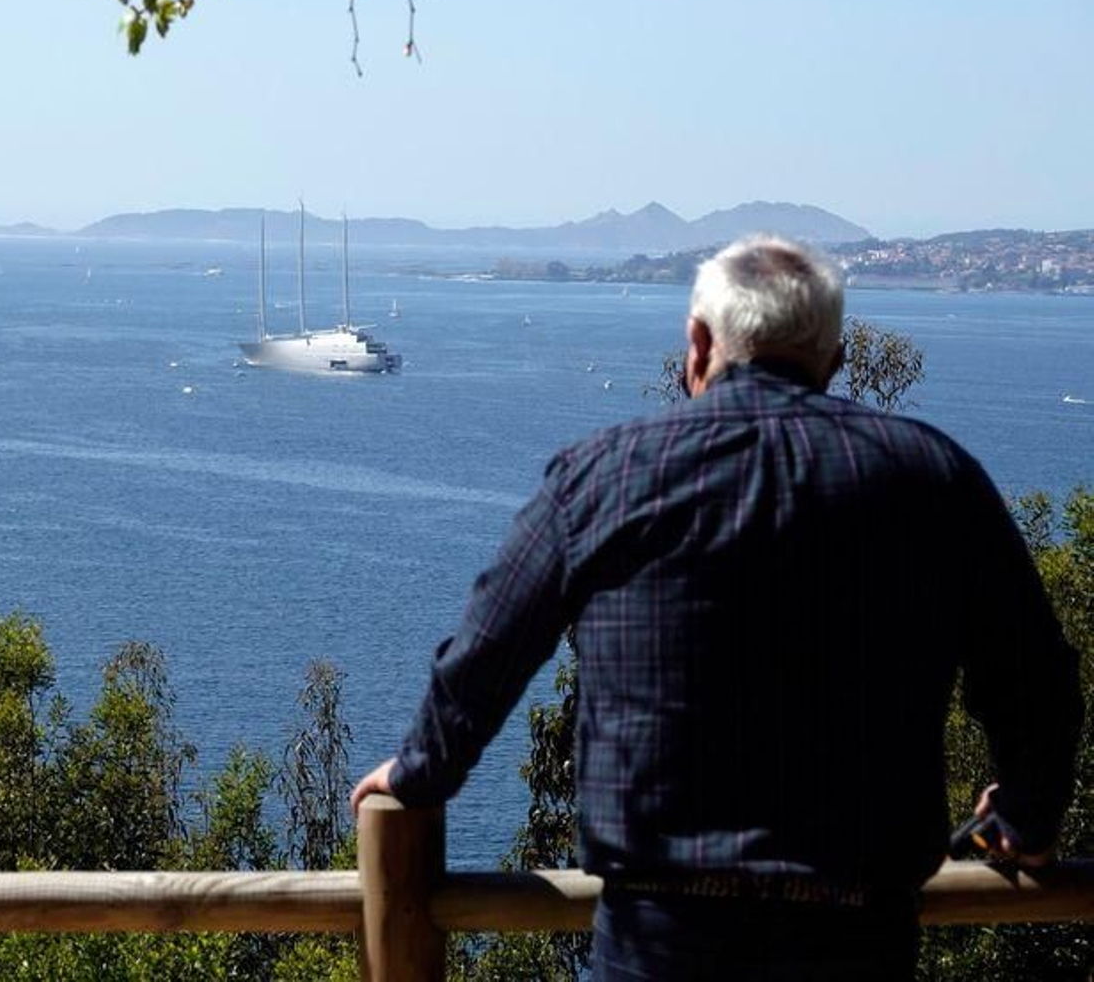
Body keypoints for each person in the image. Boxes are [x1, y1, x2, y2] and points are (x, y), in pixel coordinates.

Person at [349, 235, 1082, 980]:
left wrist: (421, 770)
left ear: (699, 344)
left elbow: (488, 651)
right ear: (832, 358)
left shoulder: (605, 475)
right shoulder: (934, 479)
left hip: (658, 940)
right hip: (861, 940)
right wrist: (1026, 813)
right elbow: (1039, 682)